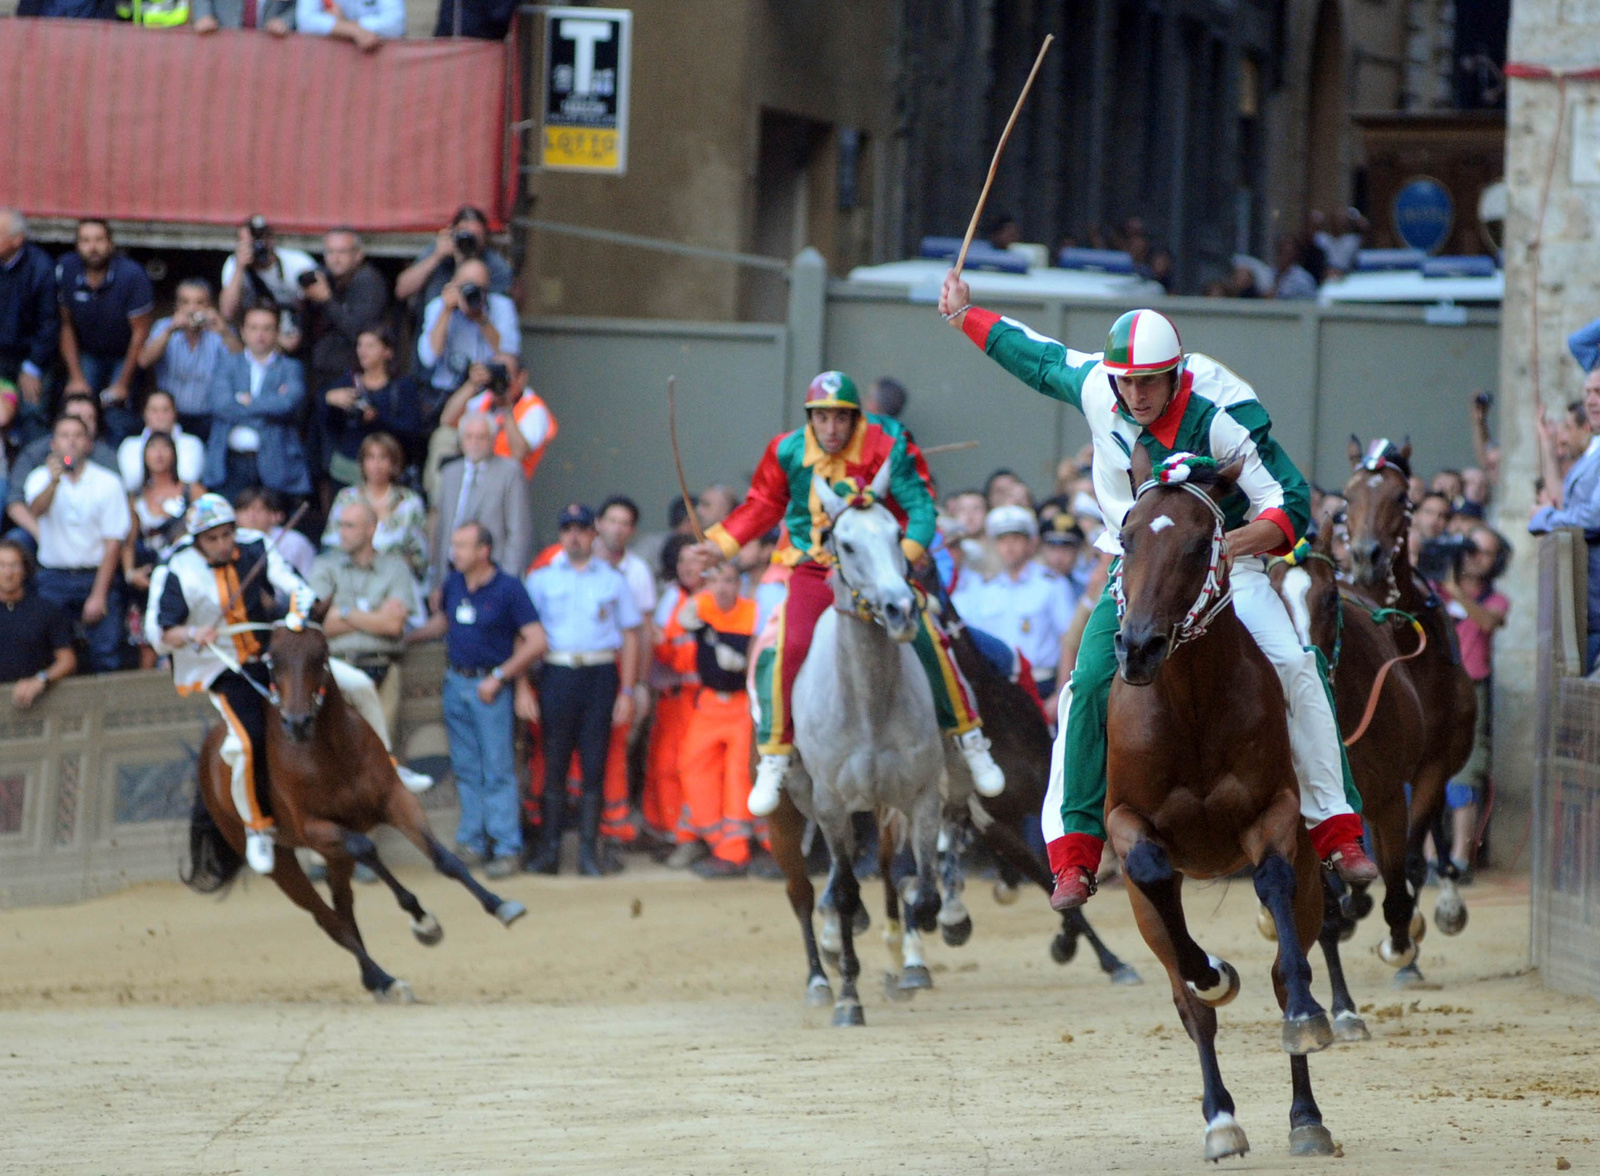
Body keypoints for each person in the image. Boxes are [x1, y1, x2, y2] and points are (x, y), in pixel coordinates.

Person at [938, 279, 1377, 909]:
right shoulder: (1101, 386)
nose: (1136, 395)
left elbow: (1292, 503)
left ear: (1176, 374)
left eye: (1150, 381)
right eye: (1127, 382)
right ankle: (1075, 854)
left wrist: (1224, 550)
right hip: (1140, 567)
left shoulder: (1224, 412)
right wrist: (964, 315)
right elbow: (1036, 357)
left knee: (1294, 664)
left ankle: (1336, 829)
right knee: (1086, 686)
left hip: (1226, 562)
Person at [689, 371, 1005, 816]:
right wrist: (719, 543)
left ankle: (970, 740)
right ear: (809, 418)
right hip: (813, 567)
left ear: (856, 417)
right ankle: (775, 755)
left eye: (841, 418)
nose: (832, 428)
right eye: (822, 418)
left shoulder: (890, 439)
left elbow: (919, 504)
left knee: (925, 634)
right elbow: (762, 505)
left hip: (880, 565)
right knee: (788, 645)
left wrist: (901, 559)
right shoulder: (787, 449)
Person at [151, 493, 427, 872]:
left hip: (274, 657)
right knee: (248, 742)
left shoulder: (258, 545)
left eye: (227, 535)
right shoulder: (176, 570)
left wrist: (299, 615)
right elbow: (160, 631)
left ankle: (392, 766)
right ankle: (258, 829)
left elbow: (295, 585)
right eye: (212, 539)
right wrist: (189, 632)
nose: (222, 544)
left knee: (359, 685)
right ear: (197, 541)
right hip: (224, 667)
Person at [411, 522, 545, 875]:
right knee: (467, 768)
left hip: (489, 686)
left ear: (484, 551)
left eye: (462, 546)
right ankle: (473, 841)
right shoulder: (455, 582)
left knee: (497, 769)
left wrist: (502, 677)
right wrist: (408, 638)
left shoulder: (509, 588)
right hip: (456, 681)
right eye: (454, 545)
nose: (455, 553)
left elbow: (536, 640)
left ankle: (506, 846)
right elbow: (445, 623)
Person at [523, 504, 644, 876]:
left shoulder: (612, 578)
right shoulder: (541, 579)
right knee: (554, 762)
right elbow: (524, 635)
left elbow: (631, 635)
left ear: (593, 535)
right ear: (560, 535)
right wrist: (523, 687)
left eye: (580, 529)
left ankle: (588, 854)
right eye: (567, 529)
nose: (574, 536)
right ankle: (550, 852)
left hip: (599, 673)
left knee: (595, 764)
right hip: (557, 672)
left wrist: (627, 691)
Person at [310, 500, 433, 791]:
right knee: (336, 753)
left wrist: (345, 612)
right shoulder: (324, 565)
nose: (341, 532)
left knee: (378, 750)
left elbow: (393, 626)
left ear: (371, 529)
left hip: (383, 667)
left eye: (349, 526)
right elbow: (318, 625)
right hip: (336, 666)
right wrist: (375, 615)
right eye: (340, 525)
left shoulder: (395, 569)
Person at [24, 413, 130, 673]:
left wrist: (98, 594)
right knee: (49, 654)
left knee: (105, 654)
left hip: (95, 576)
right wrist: (54, 482)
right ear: (53, 444)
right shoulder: (39, 478)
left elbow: (114, 542)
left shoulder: (109, 482)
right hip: (53, 579)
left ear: (89, 444)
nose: (71, 442)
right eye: (64, 435)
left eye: (78, 435)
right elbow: (36, 509)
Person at [675, 561, 759, 878]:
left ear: (740, 584)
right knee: (692, 765)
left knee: (740, 775)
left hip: (743, 704)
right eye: (717, 580)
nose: (723, 587)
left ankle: (734, 851)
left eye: (730, 580)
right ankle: (712, 838)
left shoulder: (753, 611)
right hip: (709, 701)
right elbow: (684, 621)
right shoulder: (701, 606)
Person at [1436, 524, 1508, 883]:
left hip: (1473, 685)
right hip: (1435, 683)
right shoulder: (1434, 588)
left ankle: (1460, 861)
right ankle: (1430, 860)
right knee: (1427, 772)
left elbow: (1488, 622)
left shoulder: (1495, 598)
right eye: (1472, 549)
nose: (1477, 558)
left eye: (1486, 552)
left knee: (1465, 775)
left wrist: (1454, 594)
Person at [952, 504, 1077, 705]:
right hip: (999, 688)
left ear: (1030, 543)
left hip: (1042, 684)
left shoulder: (1052, 584)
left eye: (1016, 539)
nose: (1009, 546)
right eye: (1002, 540)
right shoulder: (985, 589)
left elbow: (1069, 641)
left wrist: (1061, 693)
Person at [56, 219, 154, 443]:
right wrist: (76, 376)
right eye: (86, 240)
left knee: (116, 413)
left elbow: (140, 333)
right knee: (78, 406)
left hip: (124, 352)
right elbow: (64, 323)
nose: (93, 247)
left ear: (111, 244)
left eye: (99, 240)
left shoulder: (132, 275)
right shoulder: (66, 269)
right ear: (77, 245)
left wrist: (122, 383)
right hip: (87, 351)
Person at [1530, 367, 1600, 671]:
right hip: (1587, 601)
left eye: (1598, 392)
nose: (1591, 401)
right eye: (1587, 393)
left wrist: (1546, 517)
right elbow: (1566, 504)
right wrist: (1546, 445)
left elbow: (1595, 515)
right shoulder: (1593, 452)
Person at [203, 305, 310, 500]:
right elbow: (221, 405)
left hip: (276, 462)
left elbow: (288, 405)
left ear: (277, 333)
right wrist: (269, 409)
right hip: (231, 462)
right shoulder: (227, 364)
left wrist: (246, 402)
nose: (260, 335)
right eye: (253, 328)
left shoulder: (291, 368)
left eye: (267, 328)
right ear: (243, 332)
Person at [123, 432, 202, 668]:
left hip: (186, 574)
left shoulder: (192, 490)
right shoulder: (135, 496)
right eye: (152, 448)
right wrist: (130, 572)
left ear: (174, 454)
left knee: (184, 636)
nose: (158, 454)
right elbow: (128, 540)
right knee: (147, 646)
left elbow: (210, 528)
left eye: (164, 447)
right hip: (148, 576)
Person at [646, 533, 702, 855]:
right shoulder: (672, 597)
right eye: (681, 560)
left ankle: (690, 838)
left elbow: (689, 656)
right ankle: (670, 834)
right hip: (671, 697)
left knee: (689, 769)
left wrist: (661, 644)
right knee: (663, 767)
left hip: (699, 698)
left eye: (693, 559)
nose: (686, 566)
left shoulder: (713, 598)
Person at [430, 413, 531, 590]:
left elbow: (518, 531)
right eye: (469, 437)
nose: (474, 443)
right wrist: (438, 583)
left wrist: (507, 582)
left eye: (481, 437)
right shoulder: (450, 472)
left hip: (493, 574)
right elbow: (442, 529)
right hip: (452, 573)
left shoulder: (510, 472)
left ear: (493, 439)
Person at [6, 393, 119, 546]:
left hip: (93, 533)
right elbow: (15, 502)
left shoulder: (106, 457)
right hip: (42, 529)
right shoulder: (34, 454)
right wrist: (43, 536)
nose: (80, 423)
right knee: (16, 539)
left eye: (89, 418)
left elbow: (118, 511)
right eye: (75, 417)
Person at [322, 433, 430, 591]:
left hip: (397, 584)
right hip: (350, 582)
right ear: (362, 463)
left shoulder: (410, 502)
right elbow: (331, 544)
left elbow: (420, 556)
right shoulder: (346, 498)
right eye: (370, 458)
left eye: (383, 458)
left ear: (394, 463)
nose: (376, 465)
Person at [321, 329, 424, 487]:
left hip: (388, 472)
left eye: (370, 345)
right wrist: (328, 401)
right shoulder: (346, 383)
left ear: (387, 351)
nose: (363, 351)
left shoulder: (402, 387)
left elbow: (412, 430)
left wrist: (377, 418)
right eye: (360, 345)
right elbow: (330, 426)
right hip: (347, 470)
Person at [137, 280, 238, 441]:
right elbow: (144, 361)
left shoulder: (219, 331)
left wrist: (225, 332)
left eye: (199, 302)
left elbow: (242, 365)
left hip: (209, 417)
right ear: (177, 307)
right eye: (185, 302)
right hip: (171, 417)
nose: (192, 308)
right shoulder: (164, 326)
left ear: (209, 306)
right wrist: (170, 330)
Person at [435, 352, 556, 484]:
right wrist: (472, 384)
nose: (498, 377)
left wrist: (506, 410)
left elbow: (519, 453)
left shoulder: (533, 409)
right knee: (443, 437)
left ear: (521, 377)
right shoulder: (486, 399)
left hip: (509, 482)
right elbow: (447, 420)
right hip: (476, 472)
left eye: (504, 372)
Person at [302, 229, 389, 397]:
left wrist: (327, 300)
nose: (335, 258)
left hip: (352, 375)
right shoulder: (326, 277)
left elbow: (359, 331)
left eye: (342, 252)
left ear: (358, 255)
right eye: (330, 252)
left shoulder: (368, 282)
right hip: (318, 372)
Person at [416, 258, 520, 399]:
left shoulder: (501, 306)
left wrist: (482, 319)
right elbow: (428, 358)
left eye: (479, 289)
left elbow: (509, 355)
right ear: (454, 284)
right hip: (445, 391)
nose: (472, 293)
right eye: (467, 286)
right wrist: (446, 312)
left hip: (487, 391)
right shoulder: (438, 306)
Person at [0, 209, 59, 437]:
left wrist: (32, 366)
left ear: (17, 240)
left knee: (33, 412)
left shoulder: (41, 268)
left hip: (33, 357)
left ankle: (33, 469)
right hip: (2, 355)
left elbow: (49, 323)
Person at [0, 539, 76, 708]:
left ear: (25, 570)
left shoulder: (46, 610)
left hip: (39, 705)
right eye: (1, 565)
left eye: (14, 565)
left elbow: (67, 660)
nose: (7, 573)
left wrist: (40, 680)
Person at [219, 217, 314, 348]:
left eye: (263, 239)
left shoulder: (297, 262)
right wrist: (240, 268)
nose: (259, 245)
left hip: (294, 332)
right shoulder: (234, 265)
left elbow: (317, 303)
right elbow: (227, 312)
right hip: (255, 337)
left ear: (272, 240)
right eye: (251, 241)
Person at [395, 206, 514, 307]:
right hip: (431, 329)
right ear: (452, 233)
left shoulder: (495, 265)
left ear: (485, 237)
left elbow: (499, 309)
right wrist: (436, 257)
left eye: (476, 235)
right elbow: (402, 291)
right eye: (464, 234)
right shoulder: (439, 253)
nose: (469, 241)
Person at [116, 390, 206, 493]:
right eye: (154, 410)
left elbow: (188, 478)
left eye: (165, 410)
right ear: (144, 414)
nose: (160, 416)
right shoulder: (130, 445)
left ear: (174, 413)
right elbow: (132, 482)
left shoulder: (192, 444)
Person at [233, 487, 317, 579]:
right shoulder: (230, 543)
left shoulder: (294, 542)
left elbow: (309, 576)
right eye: (244, 510)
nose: (251, 516)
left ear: (272, 514)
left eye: (259, 510)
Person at [295, 0, 402, 47]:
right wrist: (353, 31)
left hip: (375, 58)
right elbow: (305, 21)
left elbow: (395, 23)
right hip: (328, 62)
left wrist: (343, 26)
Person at [191, 0, 293, 32]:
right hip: (223, 43)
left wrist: (286, 20)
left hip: (272, 47)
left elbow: (301, 5)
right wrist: (203, 15)